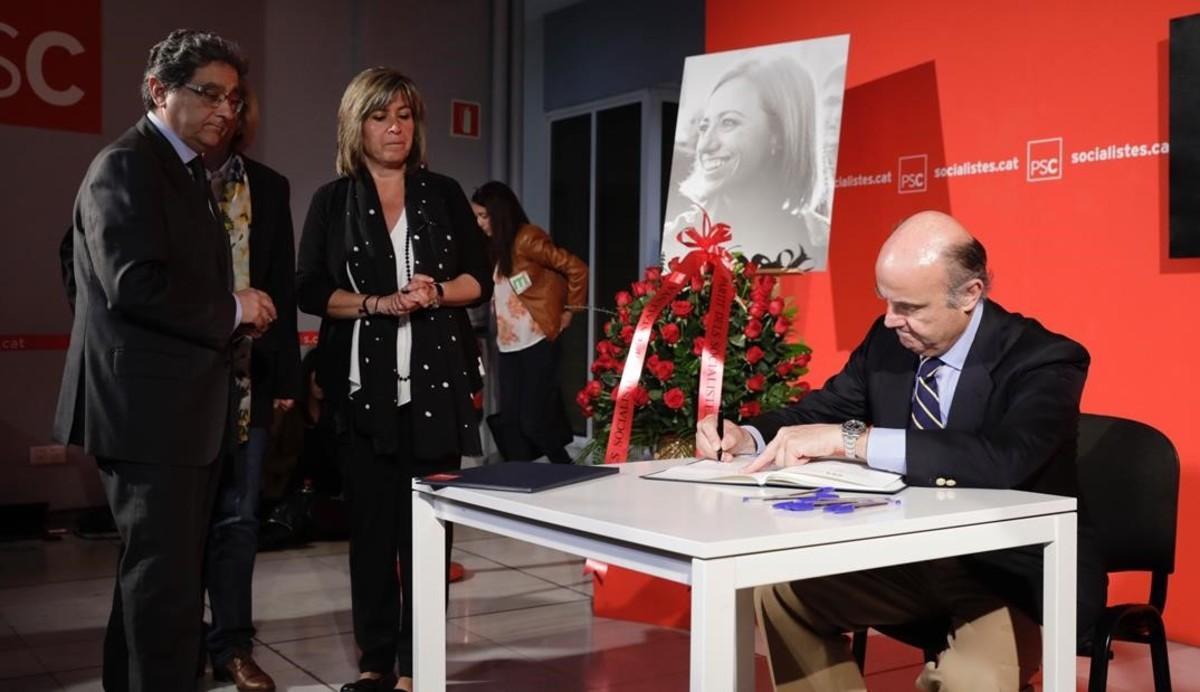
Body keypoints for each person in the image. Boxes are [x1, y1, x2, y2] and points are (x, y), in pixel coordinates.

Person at [695, 210, 1104, 692]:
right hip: (907, 558)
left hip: (1005, 575)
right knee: (779, 594)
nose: (891, 320)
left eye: (908, 307)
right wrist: (748, 436)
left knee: (968, 681)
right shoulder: (889, 341)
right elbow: (825, 407)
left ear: (970, 294)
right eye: (886, 302)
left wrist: (855, 441)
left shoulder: (1044, 358)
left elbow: (1004, 458)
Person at [52, 29, 276, 692]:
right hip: (148, 415)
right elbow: (133, 283)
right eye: (210, 94)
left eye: (234, 99)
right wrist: (236, 309)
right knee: (166, 596)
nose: (226, 111)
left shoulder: (178, 168)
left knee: (152, 585)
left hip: (174, 412)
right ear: (159, 90)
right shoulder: (128, 164)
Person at [296, 66, 491, 692]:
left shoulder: (444, 191)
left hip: (435, 393)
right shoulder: (333, 200)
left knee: (428, 535)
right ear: (357, 125)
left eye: (404, 115)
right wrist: (376, 304)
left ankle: (418, 666)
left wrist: (434, 292)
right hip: (364, 399)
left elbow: (478, 279)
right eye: (380, 116)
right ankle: (377, 663)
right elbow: (307, 290)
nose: (394, 128)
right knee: (372, 539)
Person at [200, 81, 300, 691]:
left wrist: (285, 374)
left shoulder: (269, 184)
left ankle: (232, 646)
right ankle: (175, 642)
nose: (226, 111)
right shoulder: (161, 175)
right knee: (181, 527)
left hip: (248, 383)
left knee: (239, 522)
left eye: (235, 101)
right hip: (178, 383)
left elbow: (280, 285)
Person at [662, 57, 829, 271]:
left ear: (778, 135)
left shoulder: (820, 242)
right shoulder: (677, 239)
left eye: (728, 123)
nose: (706, 145)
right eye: (704, 127)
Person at [470, 181, 587, 464]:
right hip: (508, 346)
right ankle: (521, 483)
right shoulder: (495, 248)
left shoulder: (526, 239)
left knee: (532, 421)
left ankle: (566, 469)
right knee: (509, 423)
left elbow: (576, 267)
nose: (479, 223)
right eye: (476, 216)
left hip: (536, 341)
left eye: (483, 216)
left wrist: (569, 311)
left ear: (499, 213)